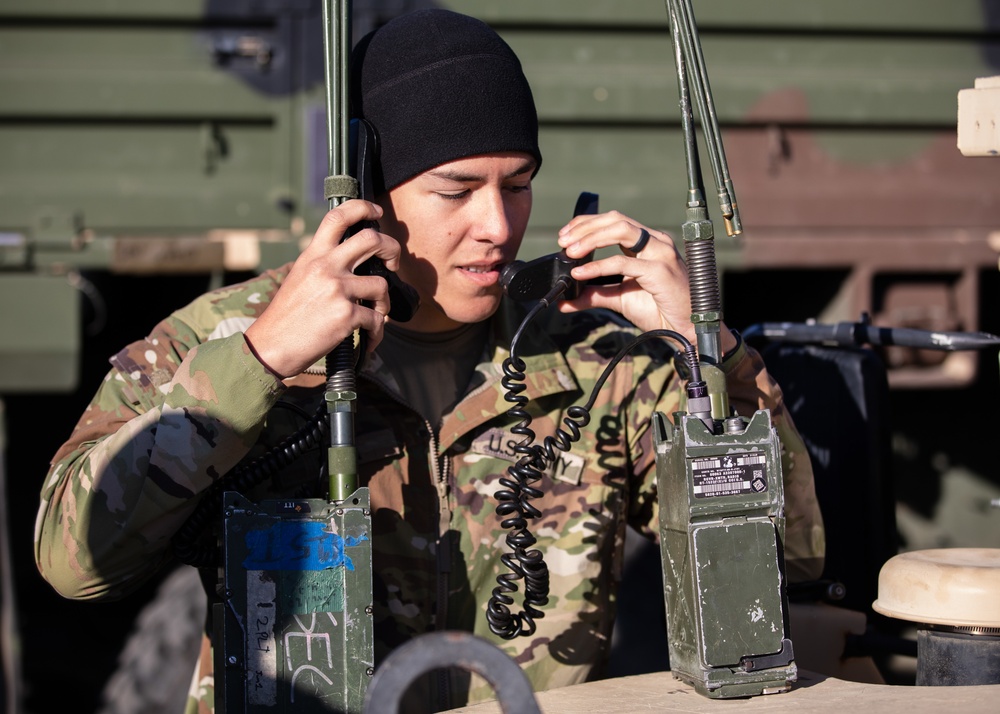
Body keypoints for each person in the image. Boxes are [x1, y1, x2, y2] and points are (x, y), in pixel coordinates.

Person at [34, 8, 824, 714]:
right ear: (374, 191)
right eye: (456, 190)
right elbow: (73, 562)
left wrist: (707, 350)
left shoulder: (596, 359)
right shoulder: (228, 337)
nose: (498, 225)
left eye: (518, 186)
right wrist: (262, 362)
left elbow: (795, 554)